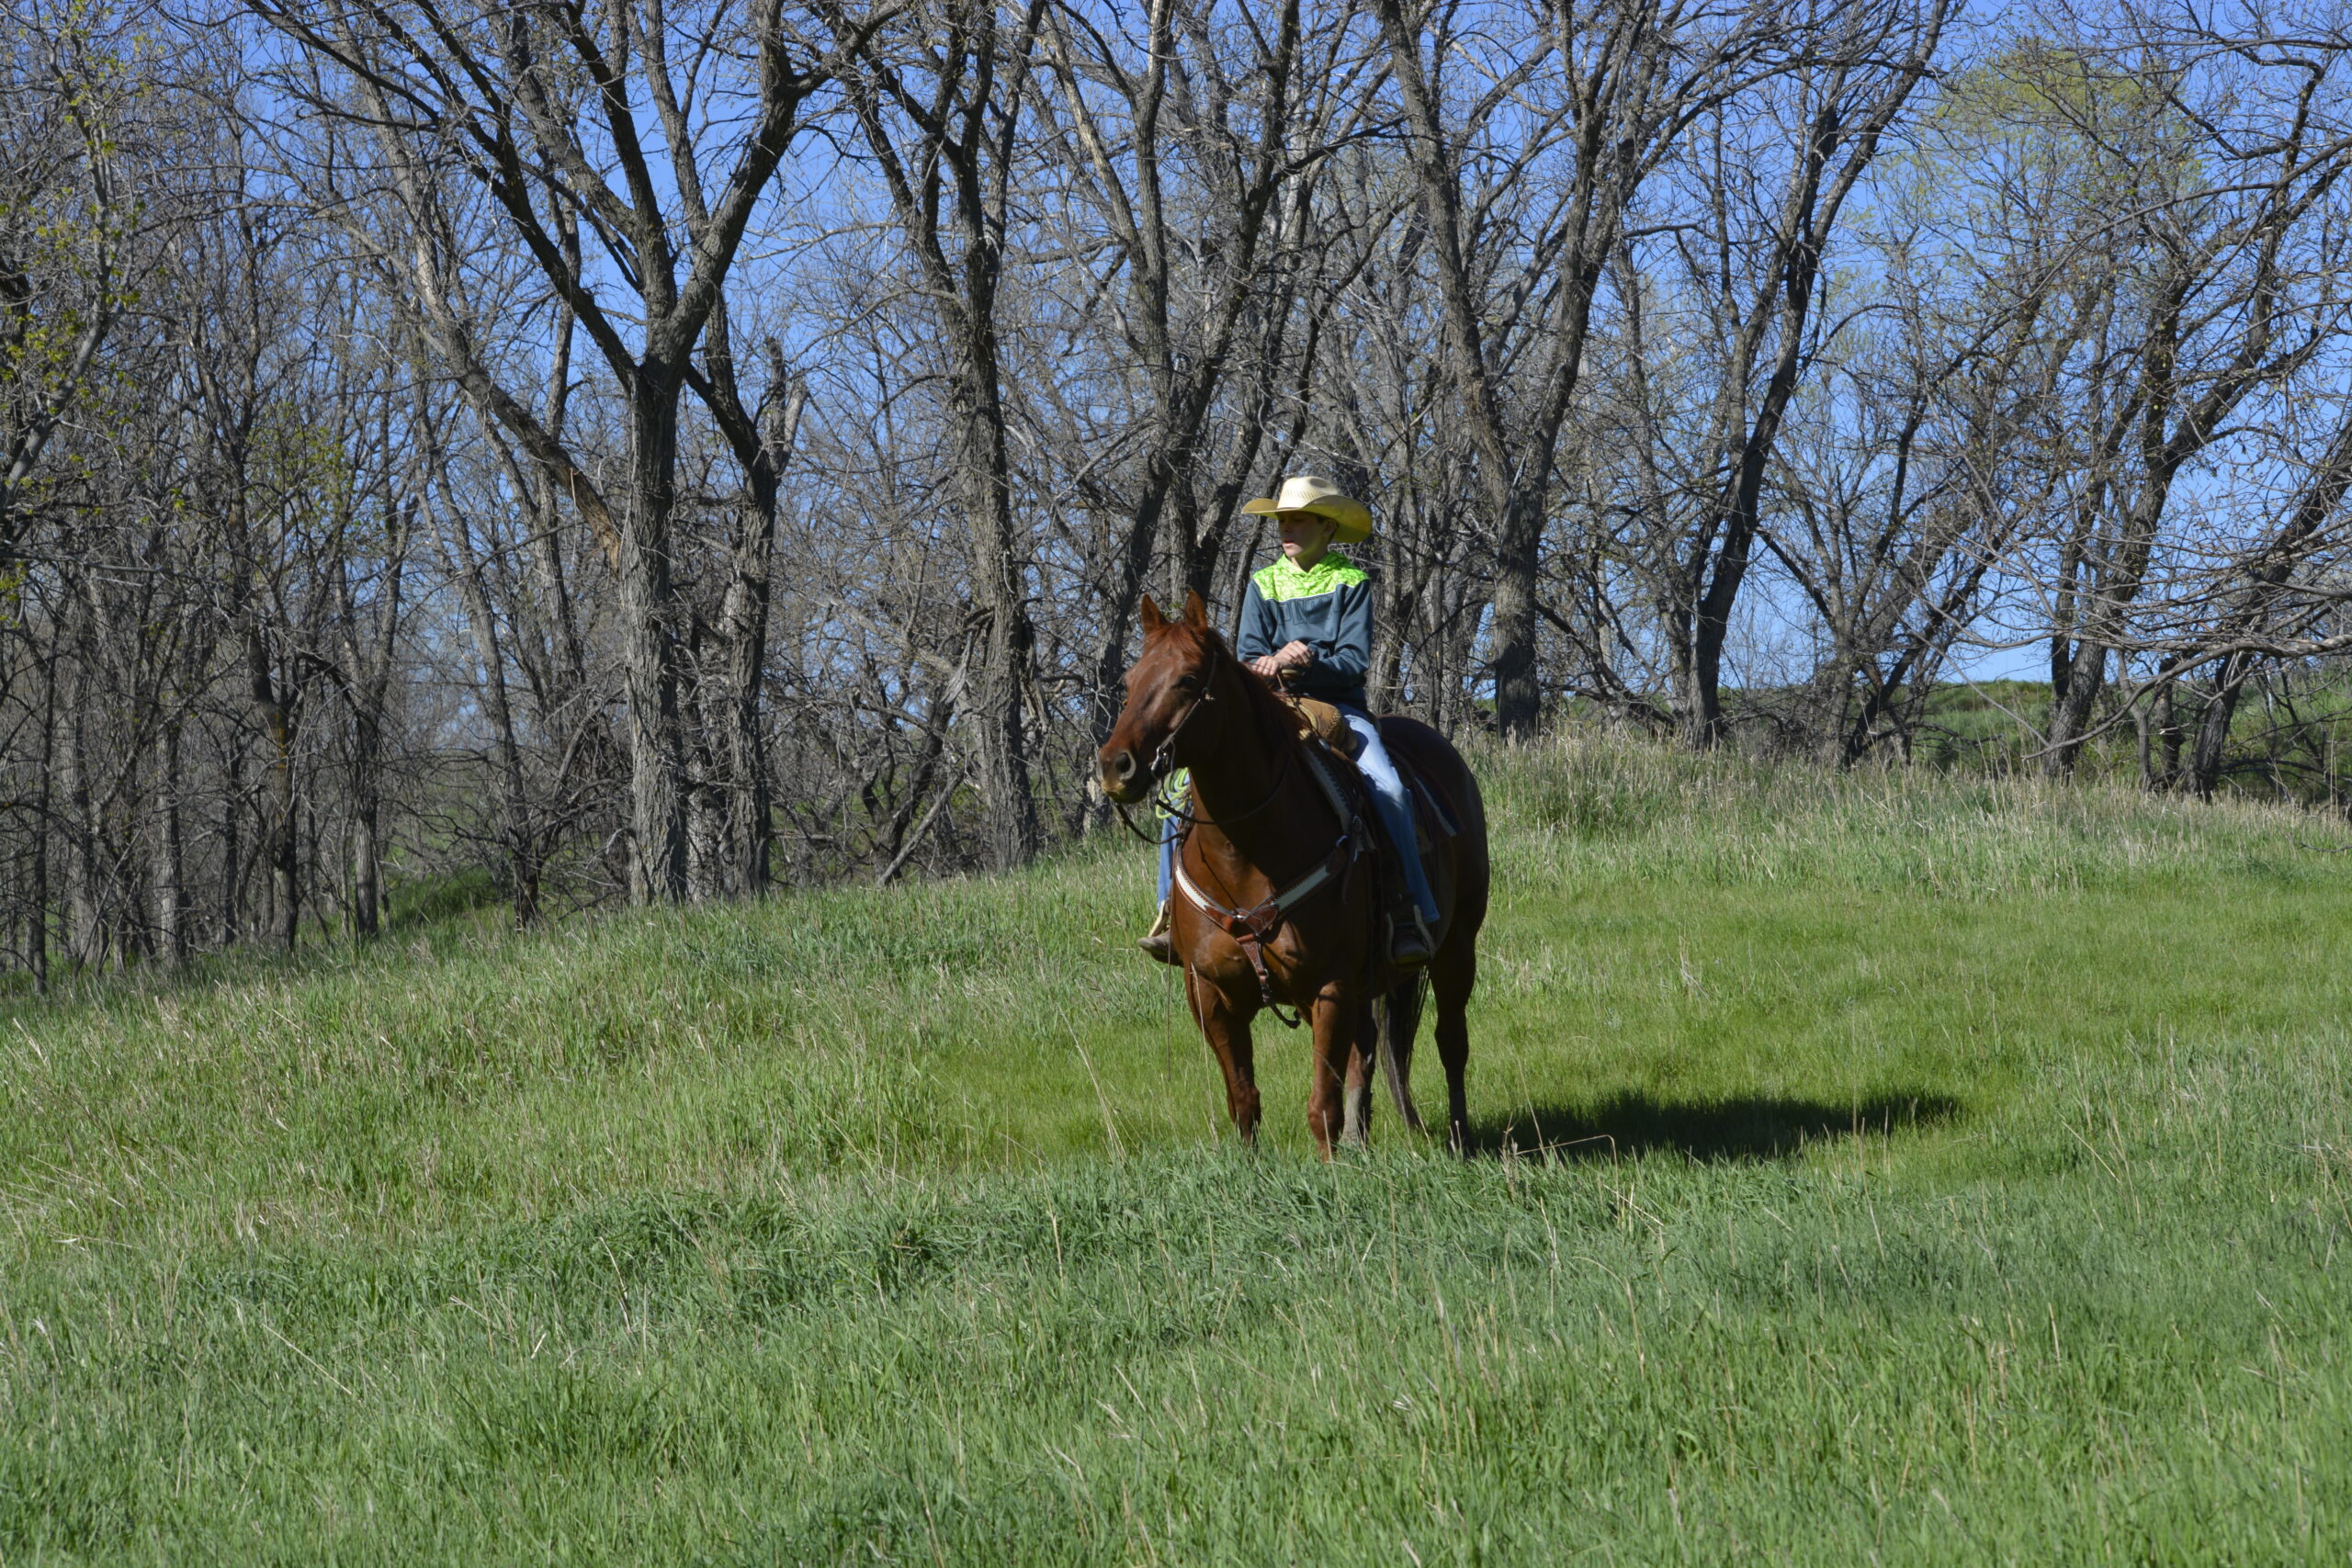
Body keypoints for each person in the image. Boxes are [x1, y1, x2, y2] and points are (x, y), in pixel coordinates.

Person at [1139, 474, 1438, 968]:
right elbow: (1251, 655)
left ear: (1326, 526)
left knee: (1390, 790)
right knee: (1176, 799)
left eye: (1297, 519)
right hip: (1271, 706)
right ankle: (1172, 916)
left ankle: (1409, 912)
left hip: (1339, 708)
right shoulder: (1263, 582)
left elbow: (1352, 661)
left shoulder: (1351, 582)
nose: (1286, 528)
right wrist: (1274, 660)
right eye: (1281, 520)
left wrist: (1306, 660)